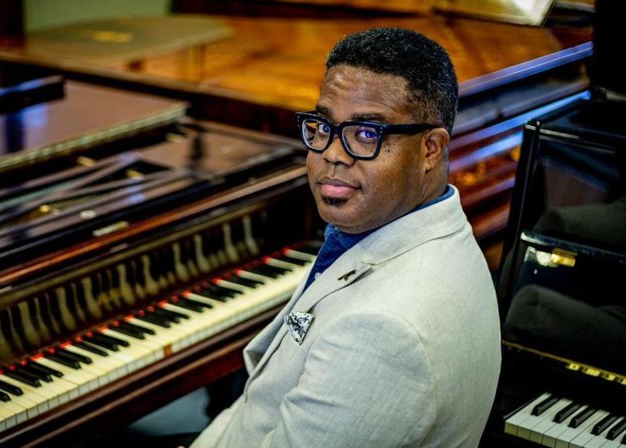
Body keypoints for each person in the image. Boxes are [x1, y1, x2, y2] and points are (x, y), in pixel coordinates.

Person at [189, 27, 502, 447]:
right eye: (323, 126)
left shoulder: (384, 334)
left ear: (430, 149)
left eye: (367, 134)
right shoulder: (425, 227)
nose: (331, 154)